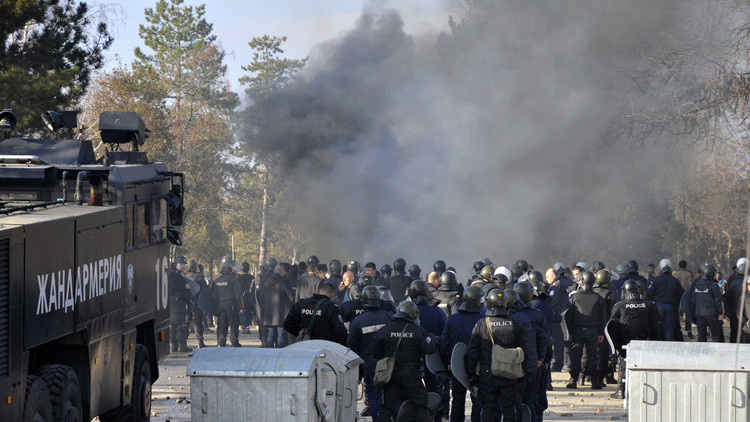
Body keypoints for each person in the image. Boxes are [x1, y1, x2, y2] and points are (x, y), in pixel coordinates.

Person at [467, 288, 536, 422]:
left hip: (487, 374)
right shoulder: (515, 323)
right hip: (509, 373)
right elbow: (524, 350)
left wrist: (472, 375)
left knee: (488, 408)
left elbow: (472, 353)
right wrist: (524, 374)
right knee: (509, 408)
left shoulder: (482, 324)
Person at [374, 301, 440, 422]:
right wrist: (431, 336)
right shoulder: (417, 330)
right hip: (412, 374)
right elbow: (430, 349)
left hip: (391, 374)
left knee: (386, 408)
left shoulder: (385, 330)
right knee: (421, 406)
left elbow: (376, 352)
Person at [607, 280, 663, 398]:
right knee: (644, 366)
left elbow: (613, 328)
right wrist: (655, 342)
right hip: (644, 341)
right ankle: (643, 390)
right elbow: (656, 325)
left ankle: (621, 391)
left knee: (623, 364)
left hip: (625, 343)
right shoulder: (650, 304)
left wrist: (615, 347)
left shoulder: (619, 306)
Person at [348, 285, 394, 420]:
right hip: (389, 364)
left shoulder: (357, 321)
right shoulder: (389, 316)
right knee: (393, 394)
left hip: (370, 364)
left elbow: (352, 346)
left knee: (374, 396)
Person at [440, 285, 483, 422]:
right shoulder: (483, 319)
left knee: (458, 398)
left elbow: (444, 342)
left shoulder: (454, 318)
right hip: (478, 365)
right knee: (478, 398)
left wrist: (447, 361)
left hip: (458, 364)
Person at [510, 282, 550, 422]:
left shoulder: (511, 315)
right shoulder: (537, 314)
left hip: (516, 362)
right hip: (535, 362)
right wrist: (544, 359)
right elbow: (545, 338)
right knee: (534, 396)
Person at [565, 271, 606, 390]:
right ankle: (594, 381)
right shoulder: (598, 298)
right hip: (593, 330)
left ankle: (573, 380)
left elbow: (568, 316)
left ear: (582, 281)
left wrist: (570, 331)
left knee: (576, 355)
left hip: (577, 330)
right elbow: (603, 317)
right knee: (593, 355)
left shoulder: (574, 297)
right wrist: (601, 332)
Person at [646, 259, 684, 341]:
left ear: (660, 268)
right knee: (669, 329)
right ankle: (668, 347)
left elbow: (649, 293)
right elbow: (682, 294)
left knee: (657, 328)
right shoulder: (675, 281)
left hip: (658, 307)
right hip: (670, 307)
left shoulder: (656, 280)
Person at [258, 262, 294, 348]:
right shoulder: (284, 281)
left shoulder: (265, 282)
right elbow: (291, 297)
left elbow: (260, 297)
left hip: (269, 313)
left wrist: (264, 306)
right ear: (282, 272)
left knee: (271, 334)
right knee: (281, 334)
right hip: (283, 313)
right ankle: (279, 353)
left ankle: (270, 352)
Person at [212, 257, 244, 347]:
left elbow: (214, 295)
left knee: (222, 324)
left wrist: (215, 307)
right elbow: (238, 294)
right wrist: (241, 306)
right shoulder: (233, 279)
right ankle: (234, 341)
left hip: (220, 305)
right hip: (232, 305)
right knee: (233, 323)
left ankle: (221, 341)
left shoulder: (217, 280)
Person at [592, 270, 617, 385]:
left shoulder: (592, 292)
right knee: (606, 353)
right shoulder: (610, 294)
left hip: (592, 326)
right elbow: (613, 312)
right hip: (606, 326)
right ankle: (606, 376)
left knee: (592, 352)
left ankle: (592, 376)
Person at [548, 263, 572, 372]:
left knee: (558, 343)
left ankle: (558, 365)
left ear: (555, 275)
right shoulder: (571, 282)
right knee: (568, 341)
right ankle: (569, 363)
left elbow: (552, 302)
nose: (547, 279)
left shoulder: (556, 285)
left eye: (548, 276)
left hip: (558, 318)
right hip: (570, 316)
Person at [690, 265, 724, 342]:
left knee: (701, 336)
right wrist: (721, 313)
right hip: (712, 314)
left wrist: (693, 314)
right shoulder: (714, 285)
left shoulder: (696, 285)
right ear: (711, 273)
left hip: (699, 314)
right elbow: (718, 301)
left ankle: (702, 353)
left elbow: (693, 301)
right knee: (716, 336)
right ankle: (716, 352)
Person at [169, 255, 192, 353]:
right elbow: (174, 287)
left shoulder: (174, 274)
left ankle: (174, 346)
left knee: (174, 325)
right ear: (176, 264)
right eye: (181, 264)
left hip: (174, 302)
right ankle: (182, 346)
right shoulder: (175, 275)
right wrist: (184, 286)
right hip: (177, 302)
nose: (183, 266)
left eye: (184, 264)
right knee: (180, 325)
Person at [185, 259, 208, 349]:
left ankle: (183, 342)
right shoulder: (200, 277)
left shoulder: (184, 276)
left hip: (187, 302)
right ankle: (200, 342)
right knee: (198, 322)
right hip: (197, 302)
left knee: (186, 322)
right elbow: (205, 290)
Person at [673, 260, 694, 339]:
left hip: (676, 296)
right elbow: (690, 286)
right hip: (685, 296)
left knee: (676, 314)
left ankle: (677, 330)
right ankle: (689, 331)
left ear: (679, 266)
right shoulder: (688, 274)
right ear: (686, 266)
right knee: (688, 314)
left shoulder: (674, 274)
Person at [238, 261, 254, 333]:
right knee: (250, 311)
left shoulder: (239, 278)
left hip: (242, 297)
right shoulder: (252, 277)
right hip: (251, 296)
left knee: (243, 311)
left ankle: (246, 326)